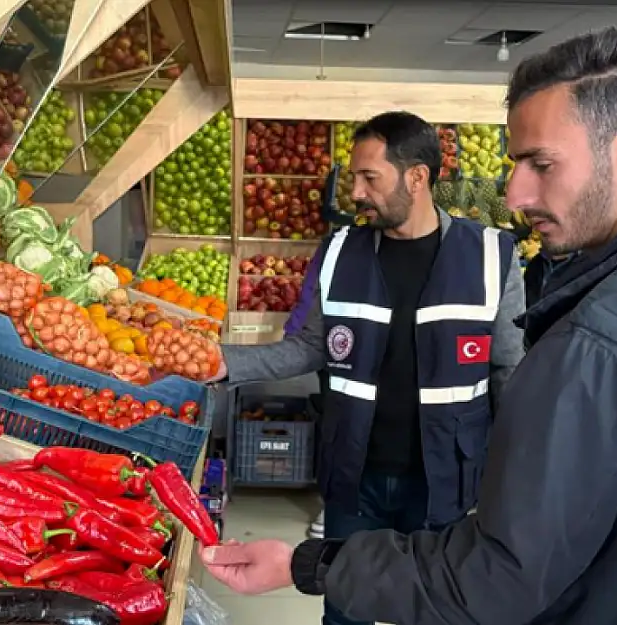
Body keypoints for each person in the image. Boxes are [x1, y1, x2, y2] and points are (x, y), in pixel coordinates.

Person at [199, 25, 617, 625]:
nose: (513, 194)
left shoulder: (596, 338)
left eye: (541, 163)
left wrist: (307, 566)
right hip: (361, 471)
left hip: (447, 480)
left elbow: (493, 578)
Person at [213, 110, 527, 625]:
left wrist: (512, 478)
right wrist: (221, 361)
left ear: (417, 177)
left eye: (369, 178)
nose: (355, 192)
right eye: (354, 176)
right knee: (344, 609)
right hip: (354, 475)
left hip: (444, 481)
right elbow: (308, 347)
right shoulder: (341, 251)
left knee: (435, 609)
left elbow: (509, 374)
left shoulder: (492, 256)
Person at [279, 245, 326, 539]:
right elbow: (314, 286)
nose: (358, 194)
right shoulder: (342, 243)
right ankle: (335, 502)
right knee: (341, 419)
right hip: (339, 345)